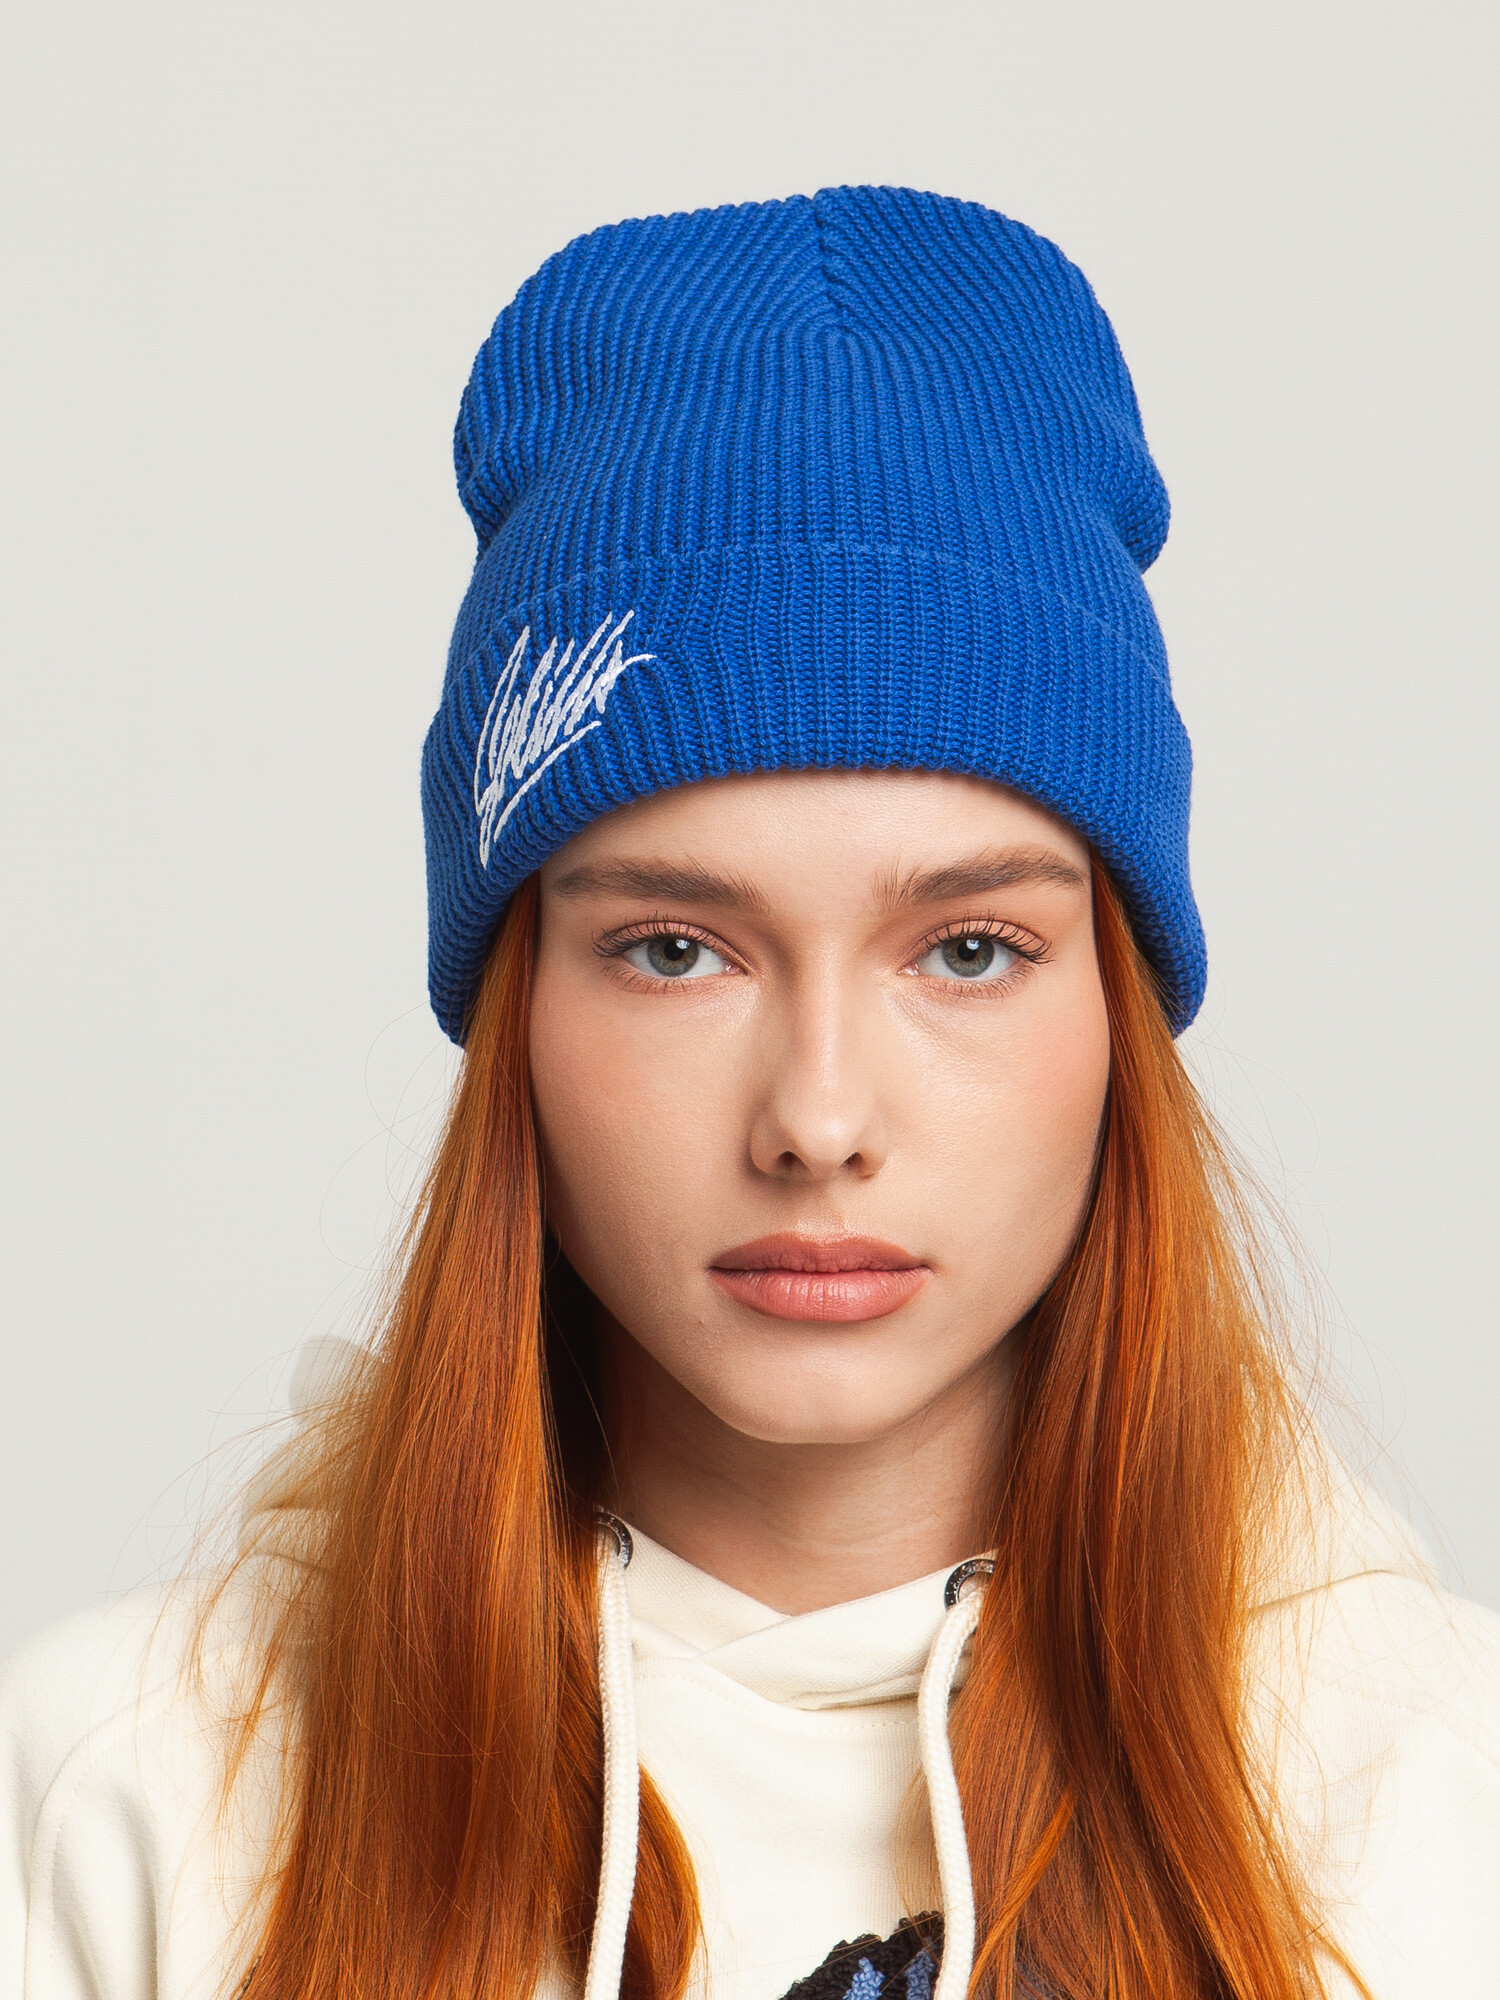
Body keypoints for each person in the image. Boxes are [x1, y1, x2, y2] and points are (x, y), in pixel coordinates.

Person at [3, 185, 1497, 2000]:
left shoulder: (1440, 1806)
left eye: (968, 950)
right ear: (516, 1013)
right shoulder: (128, 1795)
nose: (818, 1119)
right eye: (673, 951)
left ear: (1120, 1011)